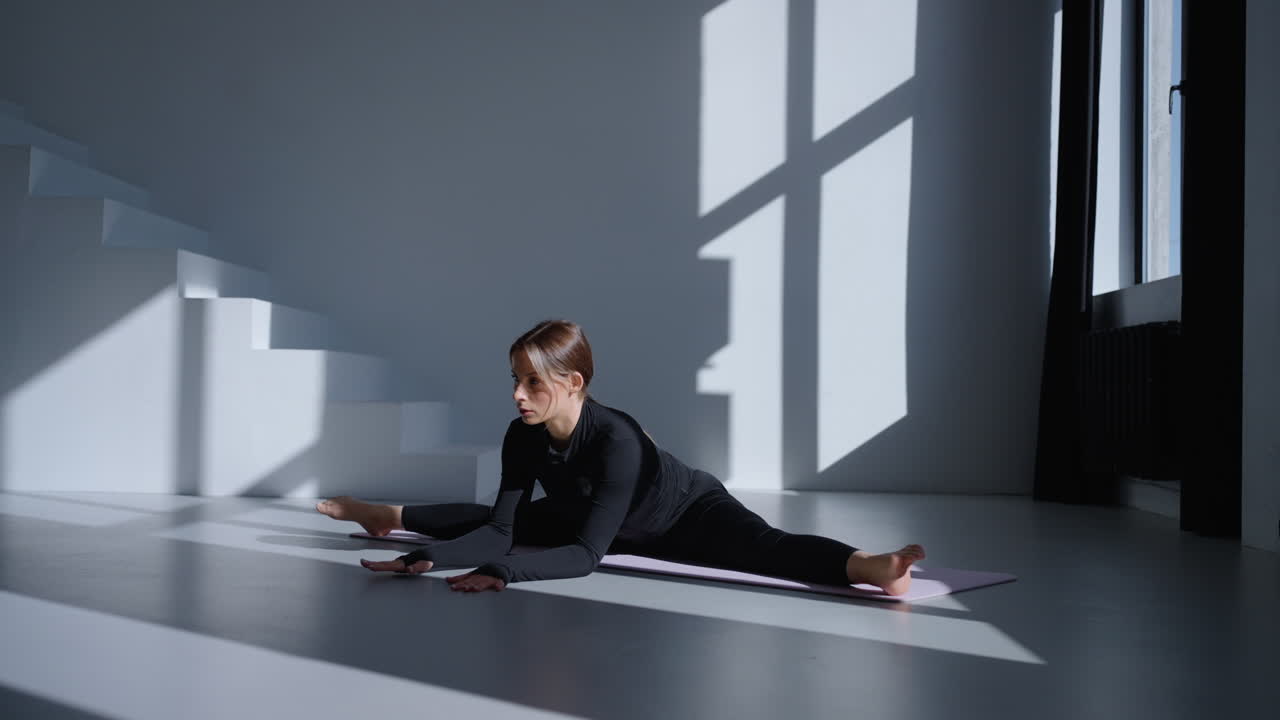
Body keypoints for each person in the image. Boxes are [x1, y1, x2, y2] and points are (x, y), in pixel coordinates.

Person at [317, 319, 925, 594]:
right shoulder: (522, 435)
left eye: (533, 382)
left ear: (574, 383)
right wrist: (423, 559)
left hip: (686, 513)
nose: (518, 395)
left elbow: (585, 558)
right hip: (594, 516)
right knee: (501, 519)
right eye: (515, 380)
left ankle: (871, 567)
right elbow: (499, 530)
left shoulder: (619, 440)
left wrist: (502, 573)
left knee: (765, 549)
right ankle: (389, 516)